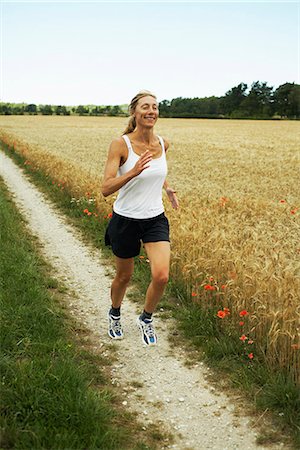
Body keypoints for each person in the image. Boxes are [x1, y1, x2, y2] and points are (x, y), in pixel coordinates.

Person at [101, 90, 179, 346]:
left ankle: (145, 318)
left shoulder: (163, 143)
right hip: (125, 220)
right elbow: (106, 188)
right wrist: (133, 172)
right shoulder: (120, 145)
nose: (151, 111)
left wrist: (166, 187)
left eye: (155, 107)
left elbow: (156, 170)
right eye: (145, 106)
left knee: (162, 275)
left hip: (154, 218)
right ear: (134, 112)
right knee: (124, 277)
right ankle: (115, 313)